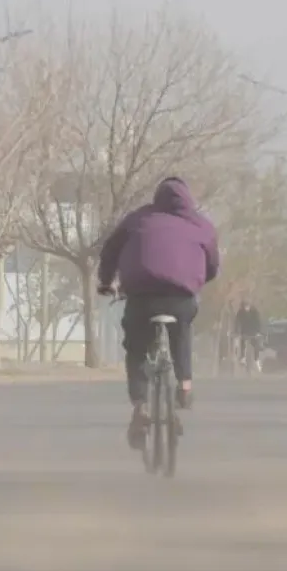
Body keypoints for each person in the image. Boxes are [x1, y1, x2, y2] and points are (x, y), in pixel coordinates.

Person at [97, 177, 219, 450]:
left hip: (142, 295)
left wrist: (106, 282)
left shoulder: (137, 218)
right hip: (181, 296)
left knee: (137, 347)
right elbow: (212, 265)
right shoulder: (201, 224)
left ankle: (140, 404)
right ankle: (185, 385)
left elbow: (110, 251)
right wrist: (195, 280)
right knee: (182, 333)